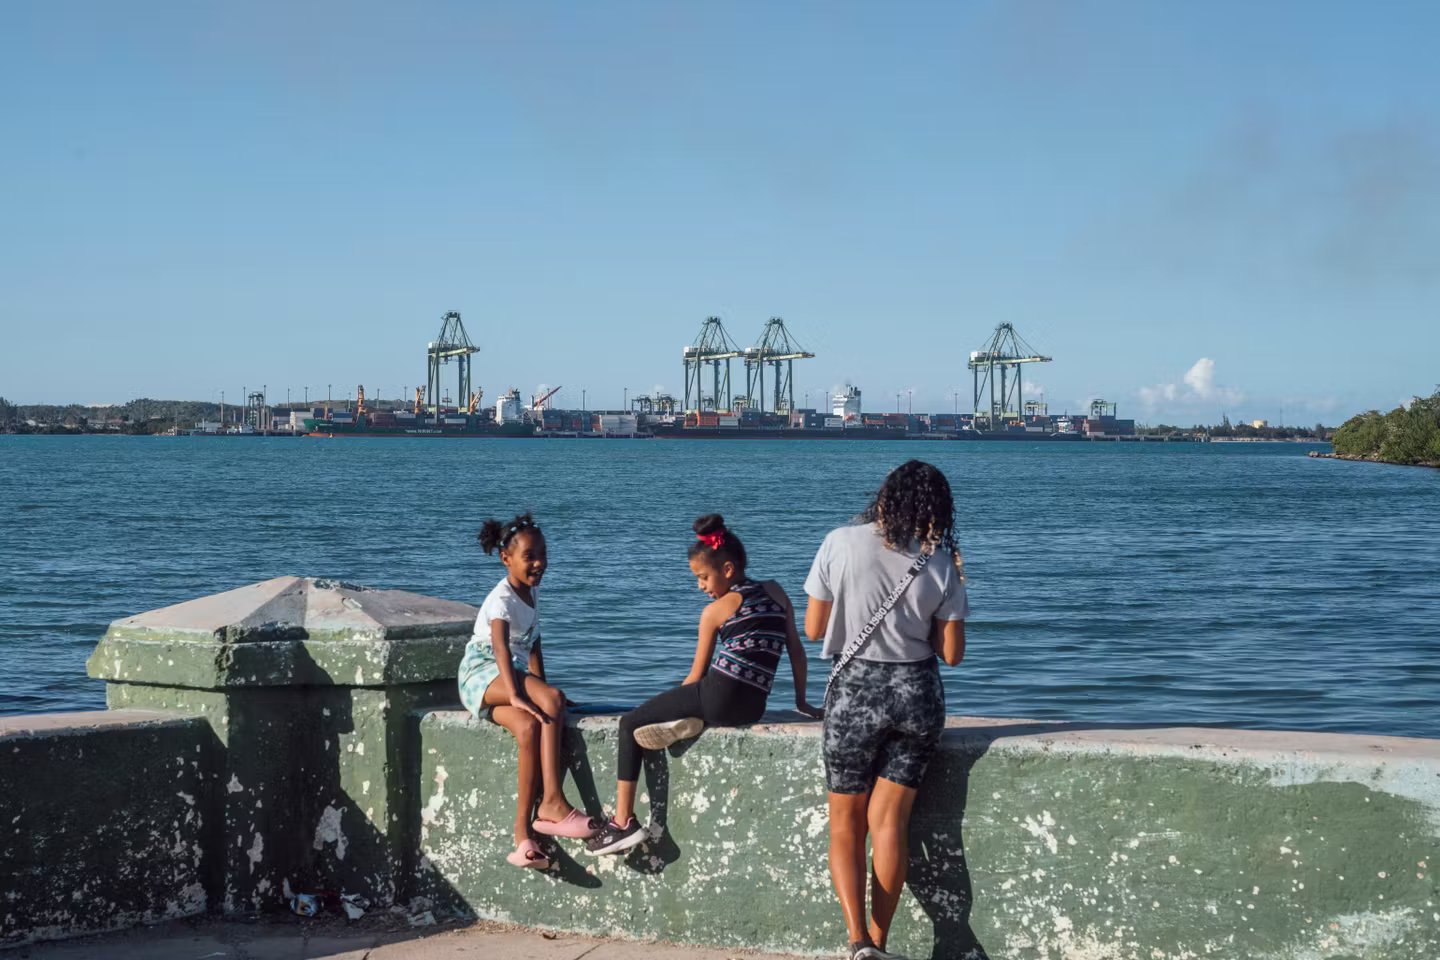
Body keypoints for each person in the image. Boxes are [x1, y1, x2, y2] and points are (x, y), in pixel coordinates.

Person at [803, 461, 969, 960]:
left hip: (854, 694)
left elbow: (814, 628)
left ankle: (857, 941)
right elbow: (952, 654)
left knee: (845, 822)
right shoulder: (940, 561)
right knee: (889, 822)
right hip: (917, 694)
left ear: (885, 497)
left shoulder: (839, 542)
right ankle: (880, 942)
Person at [586, 513, 823, 855]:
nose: (701, 587)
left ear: (727, 569)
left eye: (703, 577)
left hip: (717, 695)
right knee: (691, 702)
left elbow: (696, 677)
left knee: (630, 723)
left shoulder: (715, 612)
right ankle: (690, 720)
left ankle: (622, 823)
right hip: (753, 706)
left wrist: (673, 700)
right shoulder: (776, 591)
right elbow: (796, 652)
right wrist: (802, 702)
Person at [458, 512, 598, 870]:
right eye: (530, 556)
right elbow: (500, 649)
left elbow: (533, 644)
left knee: (529, 727)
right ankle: (552, 802)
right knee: (550, 699)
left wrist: (541, 688)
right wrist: (520, 694)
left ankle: (523, 838)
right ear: (506, 559)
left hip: (508, 674)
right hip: (483, 672)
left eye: (543, 554)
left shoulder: (532, 591)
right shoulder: (502, 599)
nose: (539, 563)